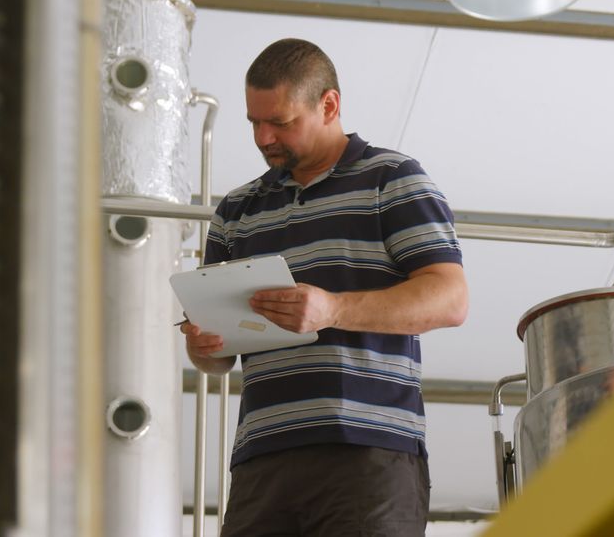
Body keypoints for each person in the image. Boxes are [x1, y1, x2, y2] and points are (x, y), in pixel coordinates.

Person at [179, 38, 468, 536]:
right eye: (254, 122)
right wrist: (203, 345)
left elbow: (451, 298)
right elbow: (217, 360)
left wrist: (332, 309)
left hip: (367, 452)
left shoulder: (393, 180)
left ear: (329, 104)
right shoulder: (236, 211)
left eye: (281, 122)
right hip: (261, 459)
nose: (263, 137)